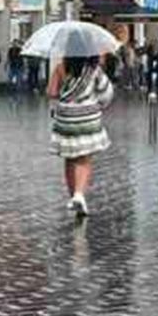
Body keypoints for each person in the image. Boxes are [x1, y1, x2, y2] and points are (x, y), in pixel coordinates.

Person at [47, 56, 114, 216]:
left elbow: (51, 92)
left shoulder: (60, 67)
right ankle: (79, 194)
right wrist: (97, 104)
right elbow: (107, 93)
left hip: (66, 118)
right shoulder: (94, 70)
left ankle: (74, 197)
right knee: (84, 159)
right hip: (87, 118)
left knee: (70, 158)